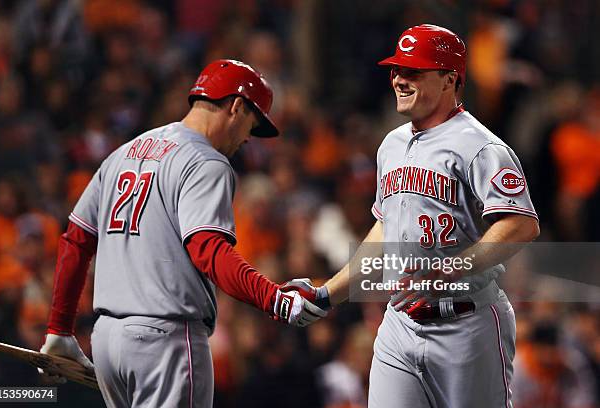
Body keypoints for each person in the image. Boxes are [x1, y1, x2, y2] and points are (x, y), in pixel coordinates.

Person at [38, 59, 326, 407]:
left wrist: (60, 329)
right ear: (236, 106)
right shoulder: (207, 161)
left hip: (108, 342)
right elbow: (209, 251)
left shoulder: (122, 153)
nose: (250, 138)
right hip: (166, 342)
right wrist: (274, 298)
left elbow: (76, 240)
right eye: (253, 123)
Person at [292, 24, 540, 407]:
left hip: (466, 323)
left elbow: (521, 224)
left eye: (413, 72)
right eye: (396, 70)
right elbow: (384, 230)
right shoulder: (391, 144)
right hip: (399, 322)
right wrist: (329, 294)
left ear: (449, 80)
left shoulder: (481, 146)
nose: (399, 79)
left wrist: (453, 268)